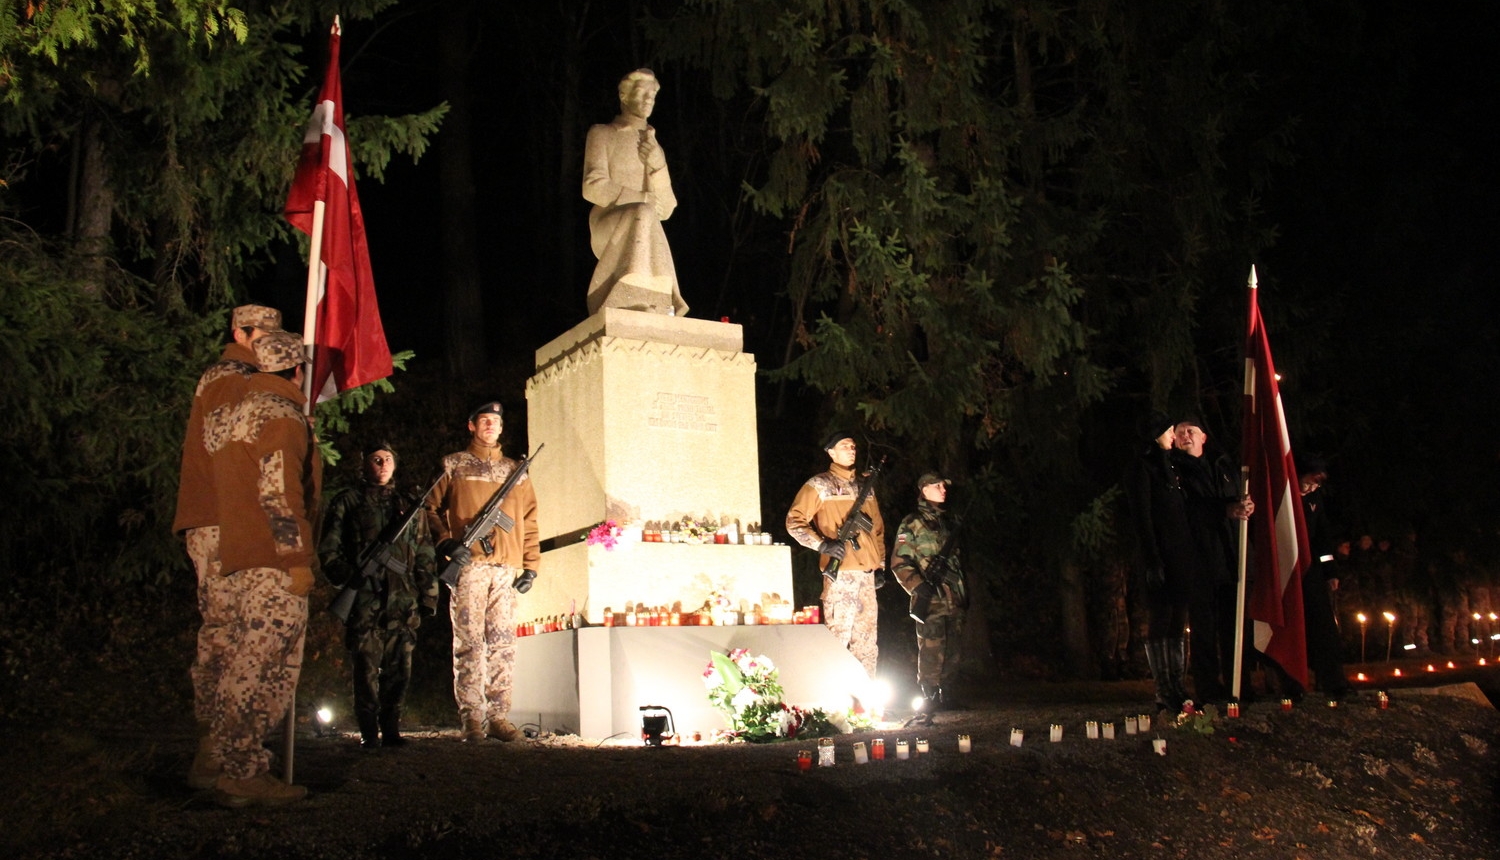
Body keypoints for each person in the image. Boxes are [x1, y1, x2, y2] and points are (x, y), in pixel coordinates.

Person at [205, 330, 321, 808]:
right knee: (266, 666)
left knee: (238, 663)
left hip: (235, 556)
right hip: (272, 561)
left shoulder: (234, 416)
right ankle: (244, 771)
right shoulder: (281, 416)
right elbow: (279, 494)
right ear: (296, 371)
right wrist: (297, 560)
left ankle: (225, 761)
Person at [170, 303, 282, 790]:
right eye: (260, 333)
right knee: (242, 634)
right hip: (225, 518)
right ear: (240, 332)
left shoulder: (240, 376)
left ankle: (214, 756)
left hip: (219, 518)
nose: (267, 342)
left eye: (275, 335)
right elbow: (227, 442)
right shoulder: (230, 375)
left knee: (223, 633)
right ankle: (235, 763)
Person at [424, 401, 540, 743]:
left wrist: (531, 566)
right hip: (469, 566)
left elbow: (530, 520)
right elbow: (428, 508)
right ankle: (472, 718)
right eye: (484, 420)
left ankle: (498, 717)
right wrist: (445, 542)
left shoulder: (516, 470)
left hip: (504, 569)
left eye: (496, 421)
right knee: (470, 643)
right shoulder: (454, 465)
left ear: (502, 428)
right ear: (471, 425)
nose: (491, 426)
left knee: (504, 644)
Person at [319, 444, 438, 750]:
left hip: (402, 599)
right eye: (376, 459)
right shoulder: (348, 501)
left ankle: (392, 727)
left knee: (400, 667)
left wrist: (428, 595)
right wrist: (348, 575)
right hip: (365, 600)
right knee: (366, 667)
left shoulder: (409, 505)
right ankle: (369, 731)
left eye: (388, 459)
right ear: (365, 463)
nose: (383, 464)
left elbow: (424, 551)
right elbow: (329, 549)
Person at [582, 68, 689, 317]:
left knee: (646, 214)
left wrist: (658, 165)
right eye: (642, 93)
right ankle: (631, 296)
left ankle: (659, 298)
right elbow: (592, 187)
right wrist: (642, 198)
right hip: (608, 224)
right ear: (624, 96)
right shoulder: (603, 134)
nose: (648, 100)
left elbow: (667, 208)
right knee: (643, 211)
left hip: (646, 226)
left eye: (652, 95)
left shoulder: (654, 146)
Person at [785, 431, 886, 679]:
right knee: (837, 640)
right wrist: (822, 545)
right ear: (831, 452)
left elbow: (878, 530)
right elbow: (794, 522)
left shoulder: (866, 487)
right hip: (841, 574)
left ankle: (865, 706)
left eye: (853, 446)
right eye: (844, 446)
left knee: (866, 642)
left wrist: (880, 564)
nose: (851, 450)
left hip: (866, 573)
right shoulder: (819, 485)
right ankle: (834, 706)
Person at [1171, 416, 1253, 702]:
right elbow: (1190, 509)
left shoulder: (1222, 467)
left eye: (1191, 431)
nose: (1185, 436)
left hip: (1228, 556)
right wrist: (1227, 509)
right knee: (1204, 628)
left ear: (1204, 437)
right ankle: (1208, 689)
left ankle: (1239, 685)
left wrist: (1243, 507)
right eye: (1180, 433)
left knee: (1234, 626)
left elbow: (1234, 502)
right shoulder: (1174, 472)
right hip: (1197, 559)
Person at [1123, 411, 1197, 712]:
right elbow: (1143, 515)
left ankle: (1178, 684)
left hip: (1180, 553)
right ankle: (1163, 687)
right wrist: (1153, 559)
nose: (1173, 435)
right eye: (1168, 430)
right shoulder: (1143, 468)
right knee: (1162, 617)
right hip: (1159, 554)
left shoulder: (1173, 466)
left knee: (1179, 616)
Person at [890, 472, 967, 710]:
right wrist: (919, 587)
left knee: (953, 647)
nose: (943, 489)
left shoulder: (948, 522)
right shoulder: (912, 523)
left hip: (952, 594)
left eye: (944, 486)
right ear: (924, 489)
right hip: (929, 595)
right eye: (937, 485)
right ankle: (930, 695)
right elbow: (899, 561)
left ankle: (948, 694)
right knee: (932, 646)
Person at [1296, 457, 1351, 698]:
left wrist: (1330, 572)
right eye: (1308, 483)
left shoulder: (1314, 499)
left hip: (1312, 572)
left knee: (1324, 627)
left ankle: (1333, 681)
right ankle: (1293, 684)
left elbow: (1322, 539)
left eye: (1315, 486)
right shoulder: (1282, 495)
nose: (1310, 489)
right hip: (1287, 573)